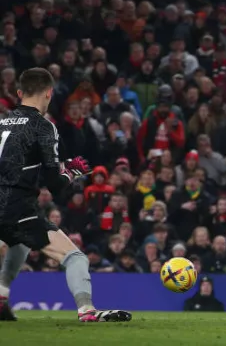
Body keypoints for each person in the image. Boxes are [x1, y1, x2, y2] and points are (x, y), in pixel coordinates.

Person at [0, 68, 132, 323]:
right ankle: (87, 310)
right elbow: (55, 185)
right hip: (17, 208)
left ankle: (2, 295)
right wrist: (71, 172)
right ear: (49, 93)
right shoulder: (43, 127)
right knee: (74, 257)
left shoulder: (2, 121)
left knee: (20, 242)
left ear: (19, 93)